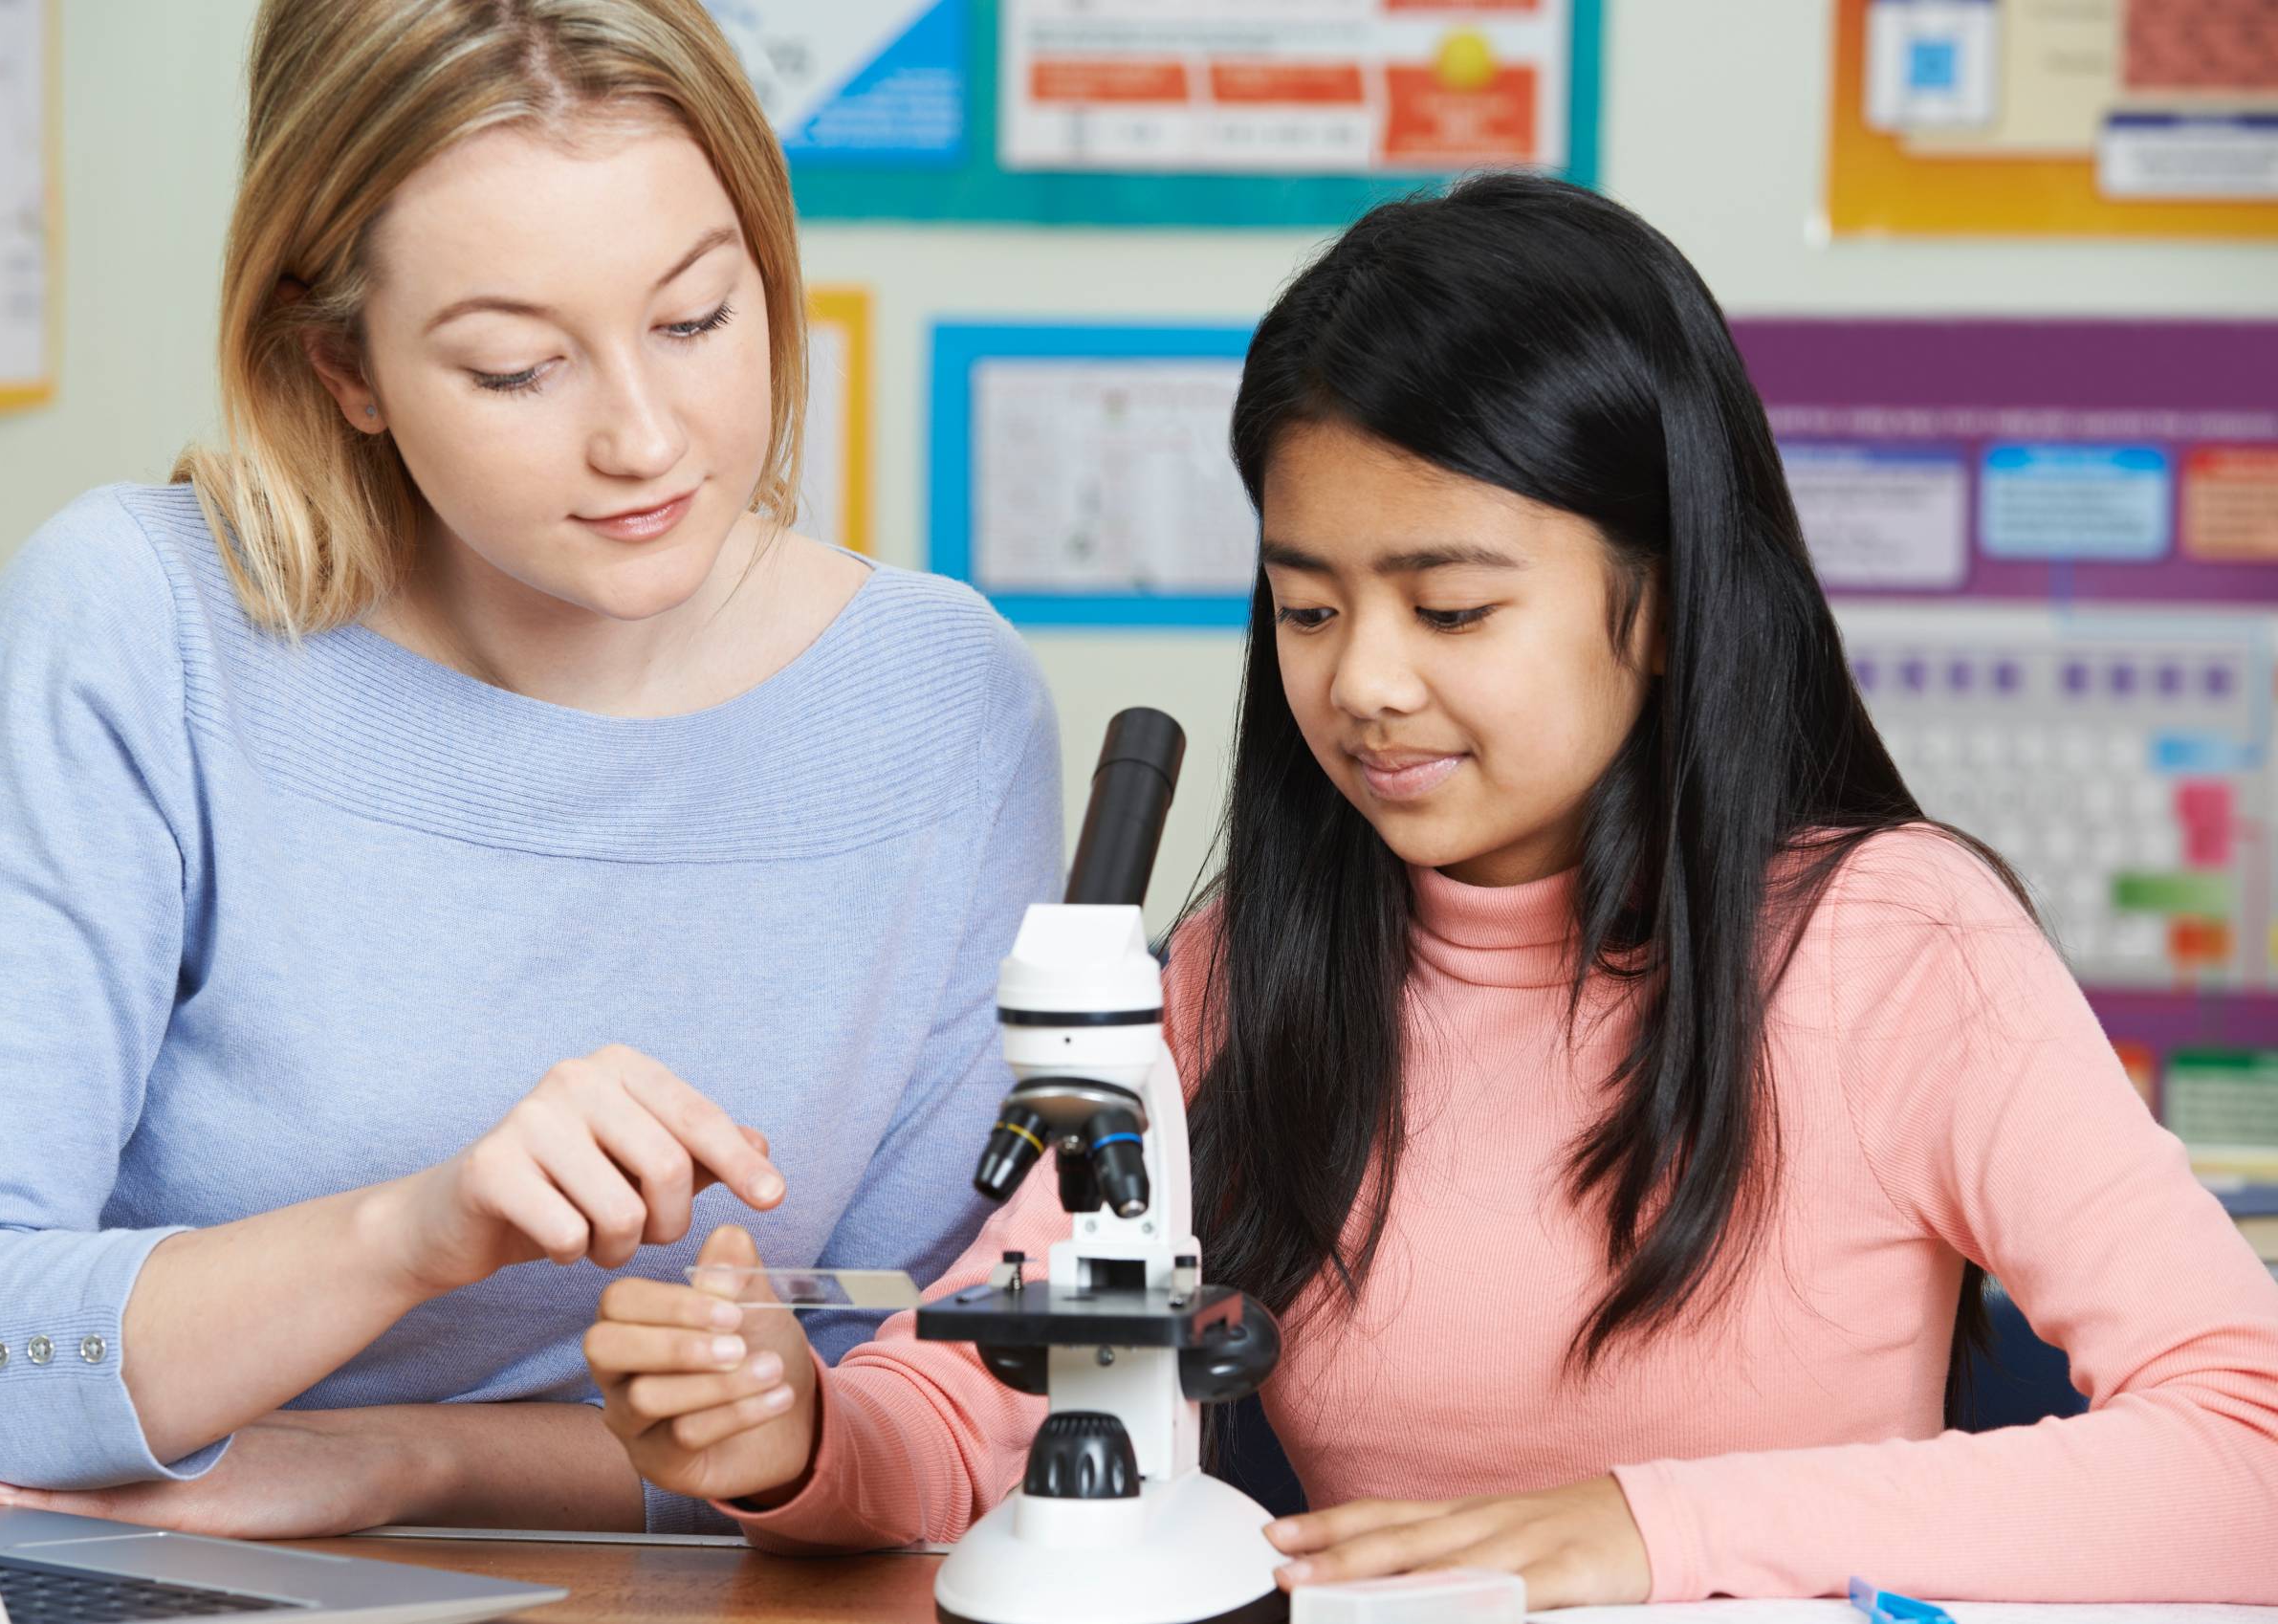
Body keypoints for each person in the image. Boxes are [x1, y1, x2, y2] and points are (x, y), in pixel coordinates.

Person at [583, 174, 2278, 1605]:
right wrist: (793, 1432)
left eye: (1450, 609)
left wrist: (1650, 1525)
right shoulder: (1249, 963)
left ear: (1670, 600)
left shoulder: (1899, 945)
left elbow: (2248, 1442)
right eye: (1309, 609)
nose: (1364, 684)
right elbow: (985, 1398)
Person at [0, 0, 1059, 1539]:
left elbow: (890, 1409)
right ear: (342, 363)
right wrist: (415, 1231)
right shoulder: (139, 627)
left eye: (696, 321)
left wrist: (408, 1458)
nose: (644, 436)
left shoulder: (943, 705)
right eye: (514, 368)